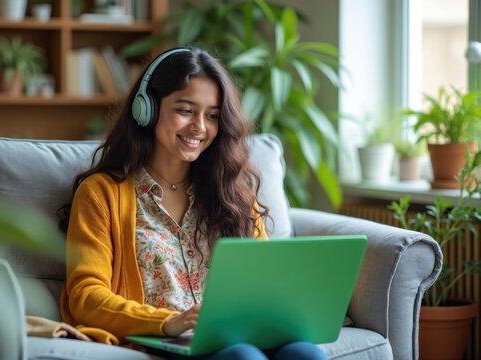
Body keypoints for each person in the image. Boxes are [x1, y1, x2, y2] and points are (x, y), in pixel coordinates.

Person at [58, 47, 327, 360]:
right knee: (243, 357)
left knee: (307, 353)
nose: (200, 126)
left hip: (236, 334)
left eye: (212, 115)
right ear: (147, 109)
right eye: (185, 110)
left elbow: (263, 284)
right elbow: (86, 295)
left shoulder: (233, 194)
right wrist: (168, 322)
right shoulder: (102, 194)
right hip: (169, 341)